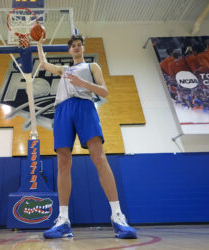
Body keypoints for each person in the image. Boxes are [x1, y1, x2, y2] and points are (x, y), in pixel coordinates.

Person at [37, 34, 137, 239]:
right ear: (69, 50)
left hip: (84, 106)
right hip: (63, 109)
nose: (76, 48)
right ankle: (63, 220)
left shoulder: (92, 66)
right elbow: (44, 64)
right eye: (73, 46)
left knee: (99, 157)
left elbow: (104, 91)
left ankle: (118, 216)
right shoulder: (64, 70)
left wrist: (82, 82)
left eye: (79, 45)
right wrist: (39, 43)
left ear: (83, 48)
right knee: (63, 163)